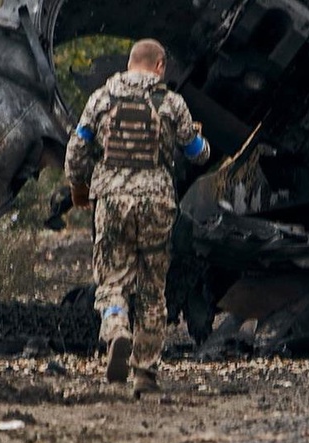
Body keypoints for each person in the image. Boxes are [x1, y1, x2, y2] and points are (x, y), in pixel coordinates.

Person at [64, 38, 210, 397]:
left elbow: (76, 151)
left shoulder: (101, 99)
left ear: (130, 63)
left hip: (112, 201)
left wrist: (80, 189)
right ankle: (145, 372)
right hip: (157, 204)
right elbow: (197, 154)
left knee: (113, 278)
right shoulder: (172, 103)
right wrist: (200, 141)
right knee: (151, 288)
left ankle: (116, 330)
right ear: (159, 66)